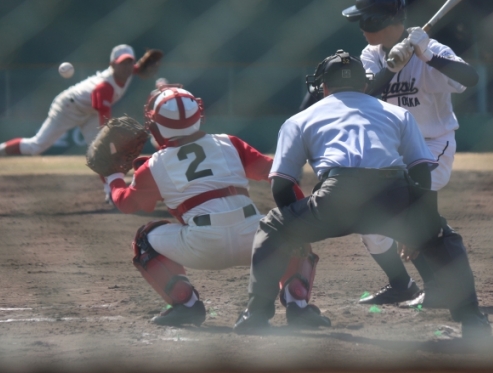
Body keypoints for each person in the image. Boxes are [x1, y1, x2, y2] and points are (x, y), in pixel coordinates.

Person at [234, 50, 490, 339]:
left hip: (336, 197)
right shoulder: (397, 113)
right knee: (444, 239)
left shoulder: (300, 119)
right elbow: (420, 171)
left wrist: (296, 232)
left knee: (271, 226)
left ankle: (256, 315)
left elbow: (281, 183)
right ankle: (473, 320)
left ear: (324, 87)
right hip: (393, 194)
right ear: (366, 84)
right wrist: (426, 224)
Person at [105, 85, 330, 328]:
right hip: (257, 243)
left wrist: (112, 176)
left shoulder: (153, 166)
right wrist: (295, 219)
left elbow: (126, 203)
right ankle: (298, 302)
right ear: (199, 115)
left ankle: (184, 303)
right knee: (291, 228)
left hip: (202, 247)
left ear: (156, 124)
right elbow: (280, 174)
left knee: (144, 238)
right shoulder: (228, 143)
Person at [338, 0, 480, 306]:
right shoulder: (371, 54)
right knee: (370, 221)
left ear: (377, 20)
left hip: (432, 144)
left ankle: (441, 287)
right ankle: (402, 285)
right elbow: (365, 94)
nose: (361, 28)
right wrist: (392, 66)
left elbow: (469, 78)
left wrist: (428, 56)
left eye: (364, 20)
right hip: (394, 150)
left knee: (411, 213)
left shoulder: (431, 49)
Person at [0, 44, 160, 203]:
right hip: (68, 107)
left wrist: (143, 69)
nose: (127, 67)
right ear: (112, 64)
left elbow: (137, 70)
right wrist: (111, 139)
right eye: (122, 63)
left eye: (129, 63)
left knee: (101, 153)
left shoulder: (129, 71)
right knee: (36, 146)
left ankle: (111, 193)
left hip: (90, 111)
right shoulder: (104, 87)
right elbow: (105, 121)